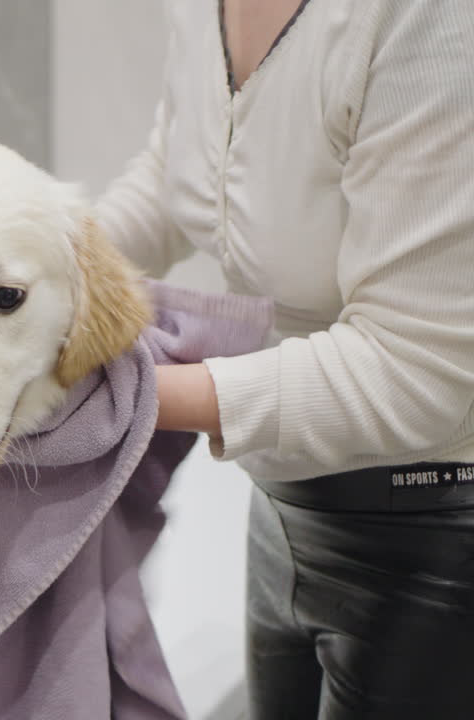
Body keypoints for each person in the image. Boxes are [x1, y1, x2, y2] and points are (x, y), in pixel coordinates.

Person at [97, 0, 474, 717]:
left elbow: (415, 368)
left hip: (434, 535)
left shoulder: (425, 17)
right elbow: (175, 176)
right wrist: (24, 278)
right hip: (284, 500)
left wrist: (125, 397)